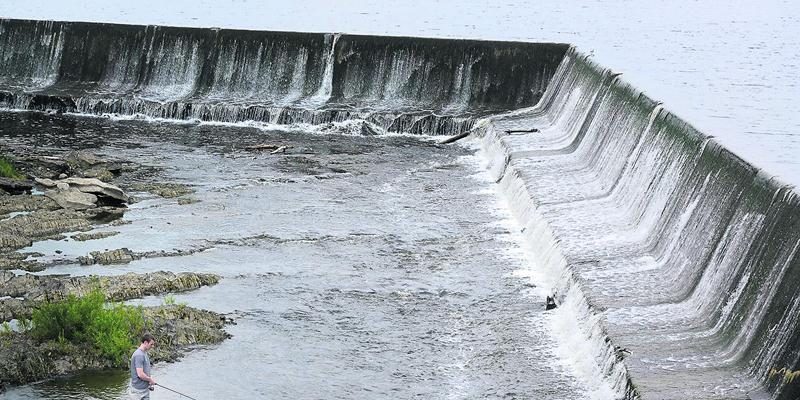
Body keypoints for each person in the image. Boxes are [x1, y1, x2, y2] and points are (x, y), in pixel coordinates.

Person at [128, 333, 157, 399]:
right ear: (145, 342)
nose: (152, 346)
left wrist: (149, 381)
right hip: (137, 392)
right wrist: (150, 379)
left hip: (145, 390)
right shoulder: (139, 355)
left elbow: (145, 370)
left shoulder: (144, 353)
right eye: (151, 344)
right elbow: (140, 374)